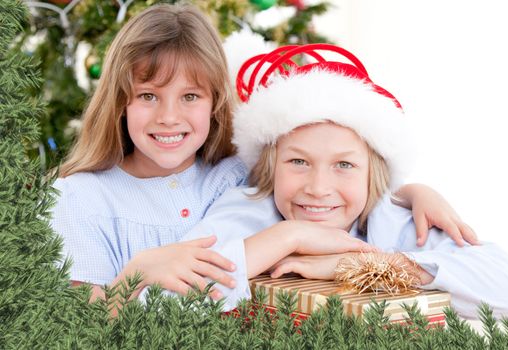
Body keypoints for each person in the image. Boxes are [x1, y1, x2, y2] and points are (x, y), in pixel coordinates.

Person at [51, 4, 476, 307]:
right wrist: (136, 273)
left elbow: (320, 177)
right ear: (119, 102)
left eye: (190, 96)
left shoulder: (236, 175)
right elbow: (70, 329)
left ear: (216, 102)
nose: (169, 117)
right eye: (147, 95)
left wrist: (411, 192)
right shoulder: (79, 198)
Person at [177, 42, 508, 319]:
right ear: (270, 166)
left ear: (374, 173)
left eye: (343, 165)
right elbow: (161, 300)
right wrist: (288, 236)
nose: (317, 187)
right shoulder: (245, 212)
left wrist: (364, 266)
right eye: (298, 161)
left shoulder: (389, 221)